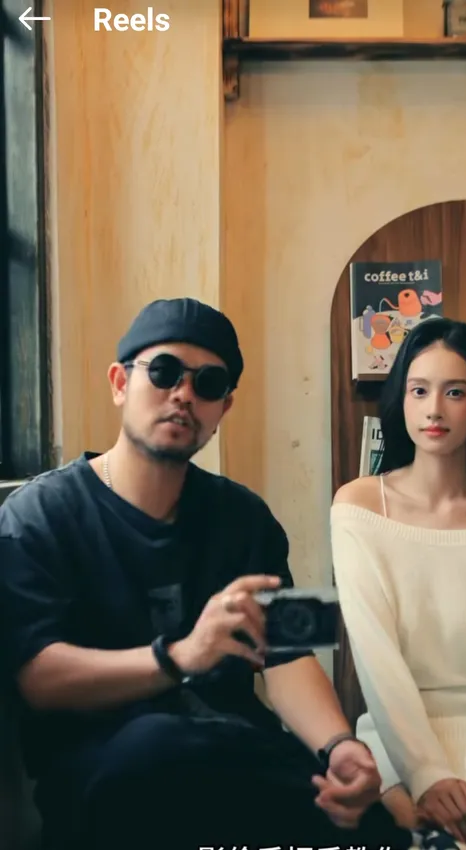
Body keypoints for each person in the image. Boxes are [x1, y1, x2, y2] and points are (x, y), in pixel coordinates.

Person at [0, 298, 418, 850]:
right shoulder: (38, 515)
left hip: (233, 753)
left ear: (224, 407)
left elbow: (287, 656)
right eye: (164, 372)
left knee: (368, 821)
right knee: (157, 745)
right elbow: (38, 678)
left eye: (208, 383)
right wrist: (180, 657)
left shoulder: (245, 516)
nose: (183, 394)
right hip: (106, 772)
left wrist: (339, 746)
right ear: (120, 383)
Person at [331, 318, 466, 850]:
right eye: (419, 391)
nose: (434, 409)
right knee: (421, 835)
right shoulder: (358, 505)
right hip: (396, 737)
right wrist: (426, 774)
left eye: (455, 392)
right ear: (401, 400)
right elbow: (377, 661)